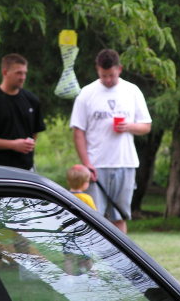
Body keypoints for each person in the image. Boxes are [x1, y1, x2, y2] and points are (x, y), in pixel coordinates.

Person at [70, 49, 152, 234]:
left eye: (111, 76)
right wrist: (87, 164)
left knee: (119, 217)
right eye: (103, 75)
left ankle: (122, 261)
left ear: (120, 69)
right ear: (97, 70)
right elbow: (78, 132)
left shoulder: (132, 91)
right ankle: (91, 262)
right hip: (96, 165)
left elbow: (146, 126)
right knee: (92, 219)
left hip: (125, 163)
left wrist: (129, 126)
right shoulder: (86, 93)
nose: (108, 80)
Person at [0, 53, 46, 170]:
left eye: (24, 73)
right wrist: (13, 145)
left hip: (26, 169)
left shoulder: (32, 100)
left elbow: (34, 132)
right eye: (18, 73)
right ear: (5, 72)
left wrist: (26, 145)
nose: (23, 77)